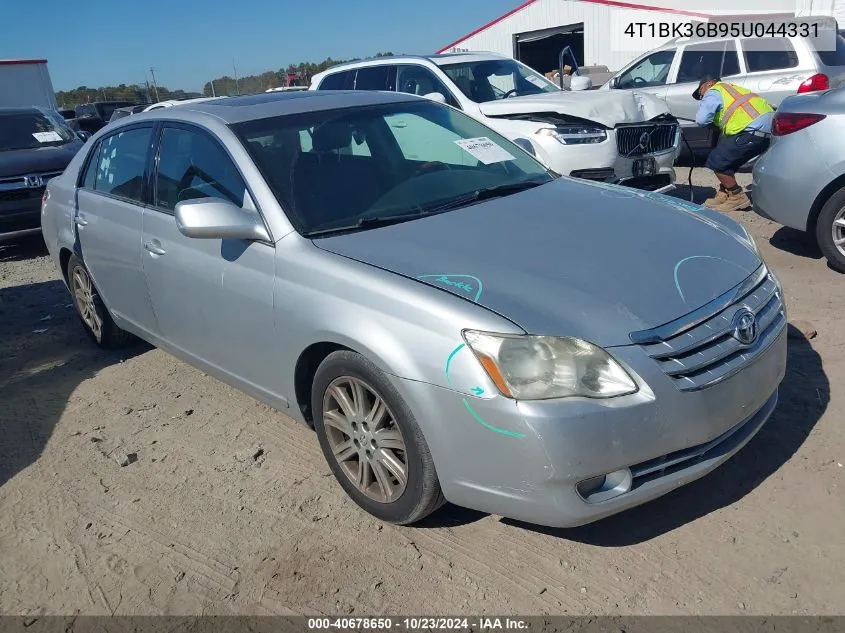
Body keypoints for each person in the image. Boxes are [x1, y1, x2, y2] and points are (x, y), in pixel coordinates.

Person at [692, 74, 775, 211]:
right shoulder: (733, 89)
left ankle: (737, 197)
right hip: (766, 130)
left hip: (753, 130)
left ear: (708, 84)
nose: (702, 97)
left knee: (717, 161)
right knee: (728, 159)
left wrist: (710, 122)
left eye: (700, 93)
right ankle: (725, 193)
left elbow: (701, 120)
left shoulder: (714, 91)